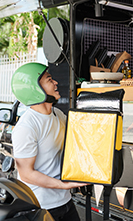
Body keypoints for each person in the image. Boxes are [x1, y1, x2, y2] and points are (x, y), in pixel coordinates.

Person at [11, 62, 87, 221]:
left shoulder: (58, 115)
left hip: (65, 201)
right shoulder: (27, 127)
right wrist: (64, 185)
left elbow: (73, 146)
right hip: (40, 206)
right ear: (35, 89)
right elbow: (26, 174)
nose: (56, 83)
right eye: (49, 79)